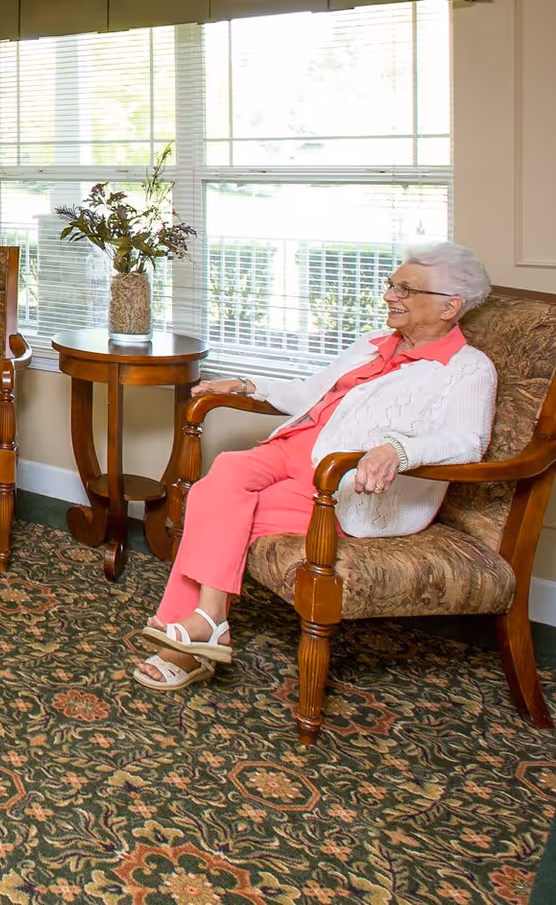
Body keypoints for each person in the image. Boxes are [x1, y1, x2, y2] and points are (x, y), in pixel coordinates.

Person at [133, 241, 498, 689]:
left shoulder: (467, 369)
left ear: (449, 306)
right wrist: (247, 384)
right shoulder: (373, 343)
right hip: (294, 448)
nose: (388, 295)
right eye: (391, 285)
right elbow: (312, 390)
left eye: (405, 289)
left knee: (216, 506)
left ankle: (189, 640)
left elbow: (468, 441)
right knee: (226, 471)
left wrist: (397, 451)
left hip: (338, 482)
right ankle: (209, 620)